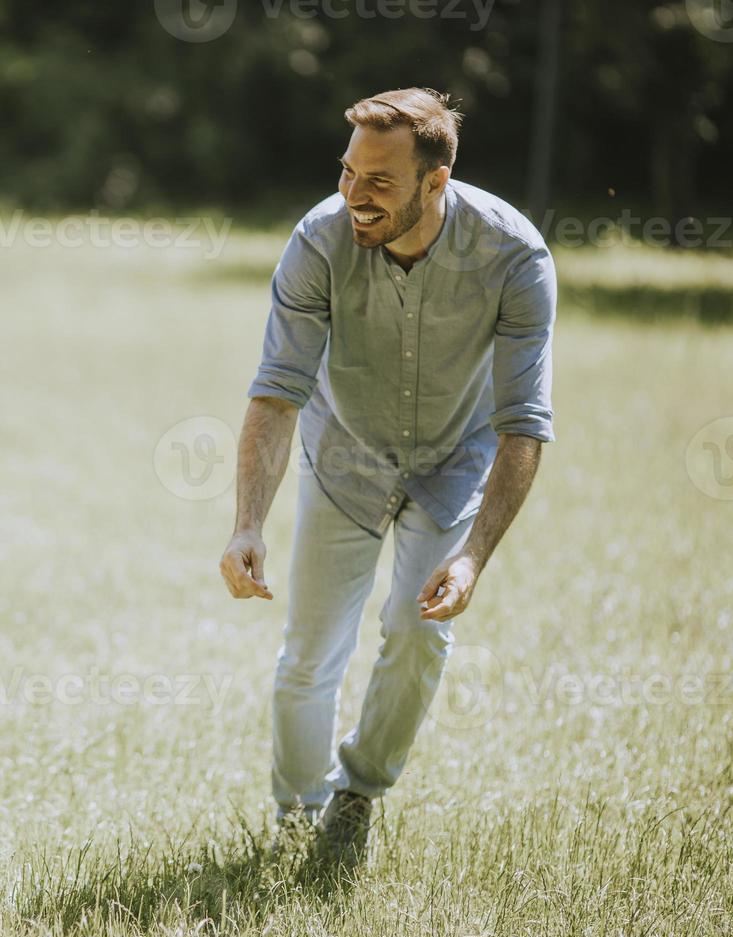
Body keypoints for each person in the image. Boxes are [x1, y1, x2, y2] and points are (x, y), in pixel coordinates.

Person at [218, 88, 555, 868]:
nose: (353, 196)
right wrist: (246, 523)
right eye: (347, 173)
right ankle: (297, 814)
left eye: (378, 182)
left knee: (417, 629)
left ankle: (358, 795)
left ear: (435, 183)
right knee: (309, 652)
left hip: (454, 462)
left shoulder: (514, 257)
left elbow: (523, 425)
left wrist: (472, 554)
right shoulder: (319, 242)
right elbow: (277, 390)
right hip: (344, 458)